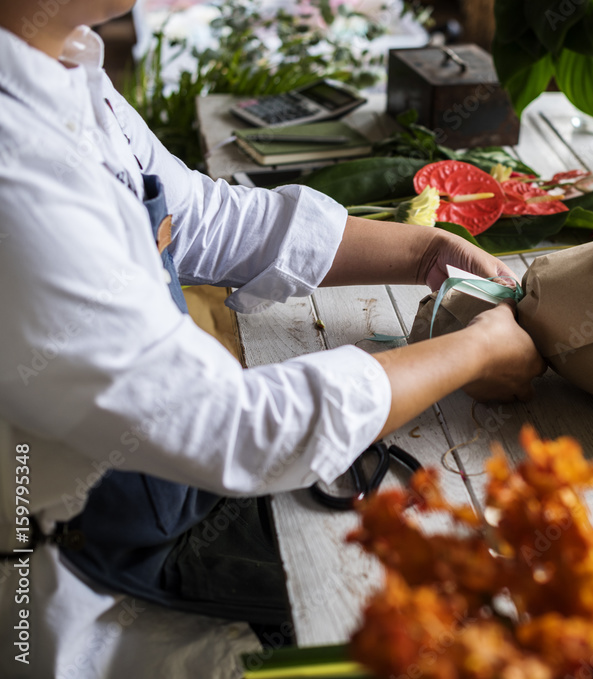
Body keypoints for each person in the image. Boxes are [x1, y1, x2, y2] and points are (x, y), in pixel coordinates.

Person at [0, 2, 545, 677]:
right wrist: (473, 352)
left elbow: (196, 215)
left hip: (167, 494)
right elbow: (234, 425)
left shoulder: (61, 60)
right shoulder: (14, 171)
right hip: (95, 593)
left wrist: (421, 251)